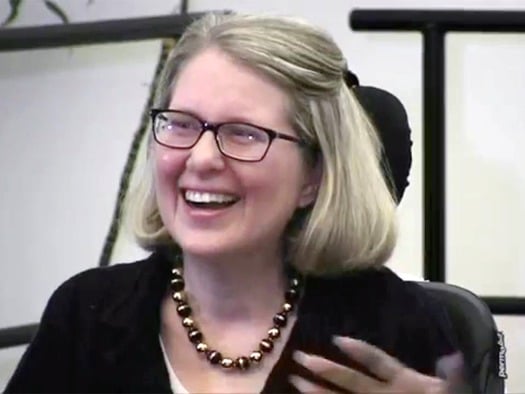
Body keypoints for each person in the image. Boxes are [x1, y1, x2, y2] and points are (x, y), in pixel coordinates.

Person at [5, 12, 465, 393]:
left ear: (314, 174)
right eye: (182, 124)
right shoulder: (85, 315)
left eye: (243, 133)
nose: (201, 158)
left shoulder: (395, 325)